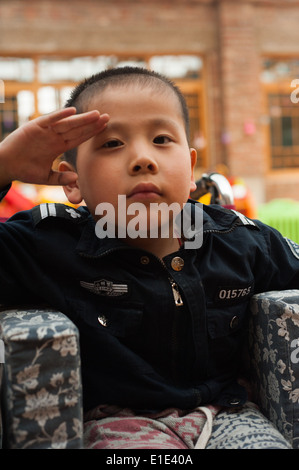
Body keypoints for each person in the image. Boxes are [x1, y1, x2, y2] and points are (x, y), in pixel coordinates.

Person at [0, 67, 296, 449]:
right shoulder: (47, 242)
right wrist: (3, 165)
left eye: (160, 138)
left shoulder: (238, 240)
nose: (142, 158)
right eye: (111, 144)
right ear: (72, 180)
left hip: (227, 413)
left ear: (190, 169)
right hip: (117, 425)